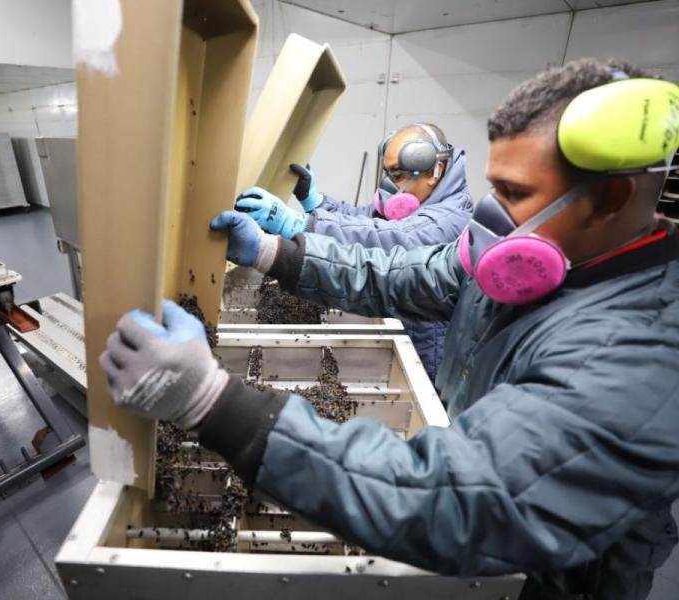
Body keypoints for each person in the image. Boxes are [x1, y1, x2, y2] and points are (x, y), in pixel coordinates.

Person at [100, 59, 679, 599]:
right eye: (494, 187)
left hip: (552, 581)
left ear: (608, 199)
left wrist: (212, 402)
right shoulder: (533, 258)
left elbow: (456, 500)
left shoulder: (635, 355)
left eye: (515, 194)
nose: (492, 214)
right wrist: (277, 253)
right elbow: (404, 274)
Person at [235, 124, 473, 380]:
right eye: (388, 173)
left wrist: (301, 224)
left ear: (434, 171)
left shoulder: (447, 220)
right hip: (407, 324)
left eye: (397, 174)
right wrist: (315, 201)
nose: (391, 185)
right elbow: (364, 219)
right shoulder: (426, 198)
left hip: (426, 351)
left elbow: (383, 238)